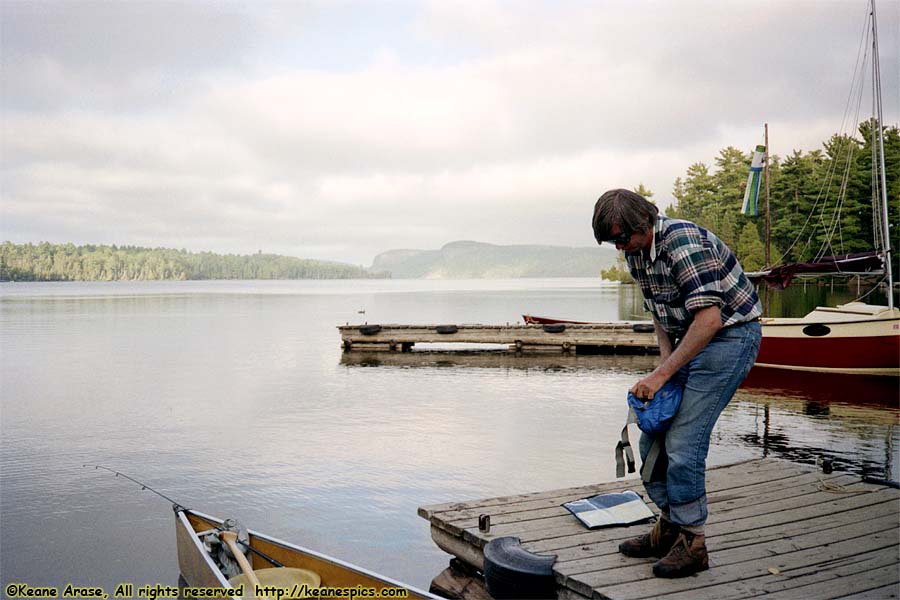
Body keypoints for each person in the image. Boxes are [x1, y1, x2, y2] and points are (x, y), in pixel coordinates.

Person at [592, 188, 762, 578]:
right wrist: (663, 369)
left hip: (729, 338)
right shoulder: (638, 255)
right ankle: (671, 525)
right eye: (613, 242)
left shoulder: (682, 243)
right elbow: (661, 316)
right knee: (653, 438)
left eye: (623, 238)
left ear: (644, 223)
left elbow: (710, 321)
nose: (620, 248)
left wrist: (661, 375)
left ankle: (693, 542)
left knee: (685, 440)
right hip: (689, 341)